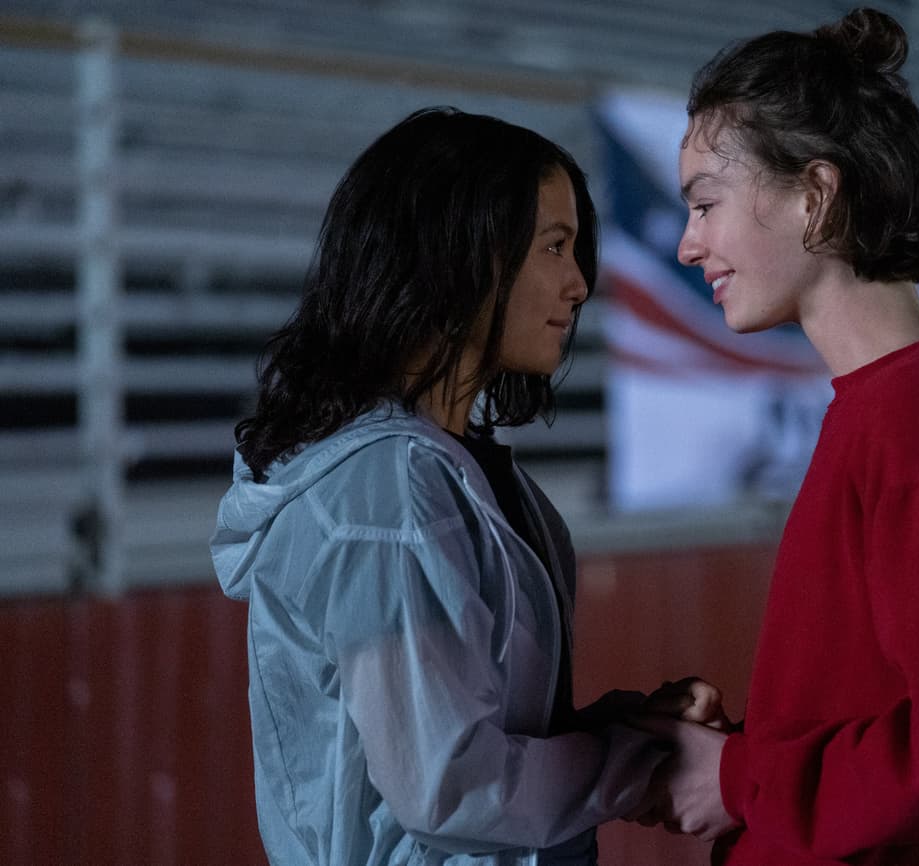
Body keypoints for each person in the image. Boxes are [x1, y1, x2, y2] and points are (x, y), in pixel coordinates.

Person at [211, 107, 718, 866]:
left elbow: (468, 736)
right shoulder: (384, 493)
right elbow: (449, 786)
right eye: (555, 247)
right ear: (464, 256)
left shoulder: (460, 472)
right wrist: (643, 763)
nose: (579, 285)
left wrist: (639, 731)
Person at [630, 8, 919, 865]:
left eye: (706, 205)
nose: (688, 245)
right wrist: (750, 751)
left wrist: (741, 779)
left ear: (816, 196)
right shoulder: (904, 406)